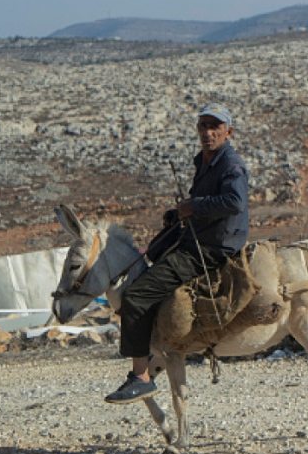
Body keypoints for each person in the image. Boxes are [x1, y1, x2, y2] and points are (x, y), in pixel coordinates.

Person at [104, 103, 249, 404]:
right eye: (203, 126)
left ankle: (141, 377)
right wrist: (179, 213)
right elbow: (208, 202)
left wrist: (194, 206)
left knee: (137, 294)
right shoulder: (206, 161)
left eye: (215, 127)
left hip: (211, 247)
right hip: (199, 235)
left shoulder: (230, 164)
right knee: (154, 255)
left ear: (228, 132)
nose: (208, 132)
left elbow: (234, 201)